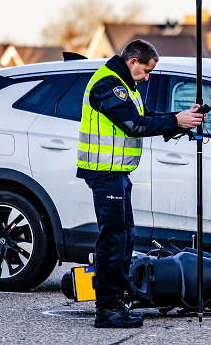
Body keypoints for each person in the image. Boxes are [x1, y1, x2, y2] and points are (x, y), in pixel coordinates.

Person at [77, 39, 203, 328]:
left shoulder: (126, 86)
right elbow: (133, 125)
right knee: (113, 240)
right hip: (104, 174)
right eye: (146, 71)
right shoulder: (108, 85)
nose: (148, 77)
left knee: (125, 238)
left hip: (118, 175)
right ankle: (107, 309)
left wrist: (182, 119)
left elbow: (144, 117)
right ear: (132, 62)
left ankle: (116, 302)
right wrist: (176, 121)